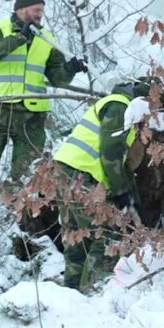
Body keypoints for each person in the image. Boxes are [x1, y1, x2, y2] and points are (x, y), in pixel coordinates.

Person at [0, 0, 86, 238]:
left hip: (32, 117)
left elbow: (56, 78)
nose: (40, 15)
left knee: (29, 175)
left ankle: (26, 230)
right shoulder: (1, 28)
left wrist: (70, 69)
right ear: (21, 10)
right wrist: (20, 37)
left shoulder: (47, 38)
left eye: (41, 10)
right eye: (36, 10)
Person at [53, 78, 153, 292]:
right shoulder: (120, 106)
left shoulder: (127, 117)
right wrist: (121, 194)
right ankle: (93, 294)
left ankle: (71, 296)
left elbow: (123, 169)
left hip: (66, 172)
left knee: (78, 237)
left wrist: (136, 209)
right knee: (112, 233)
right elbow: (110, 155)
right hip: (79, 174)